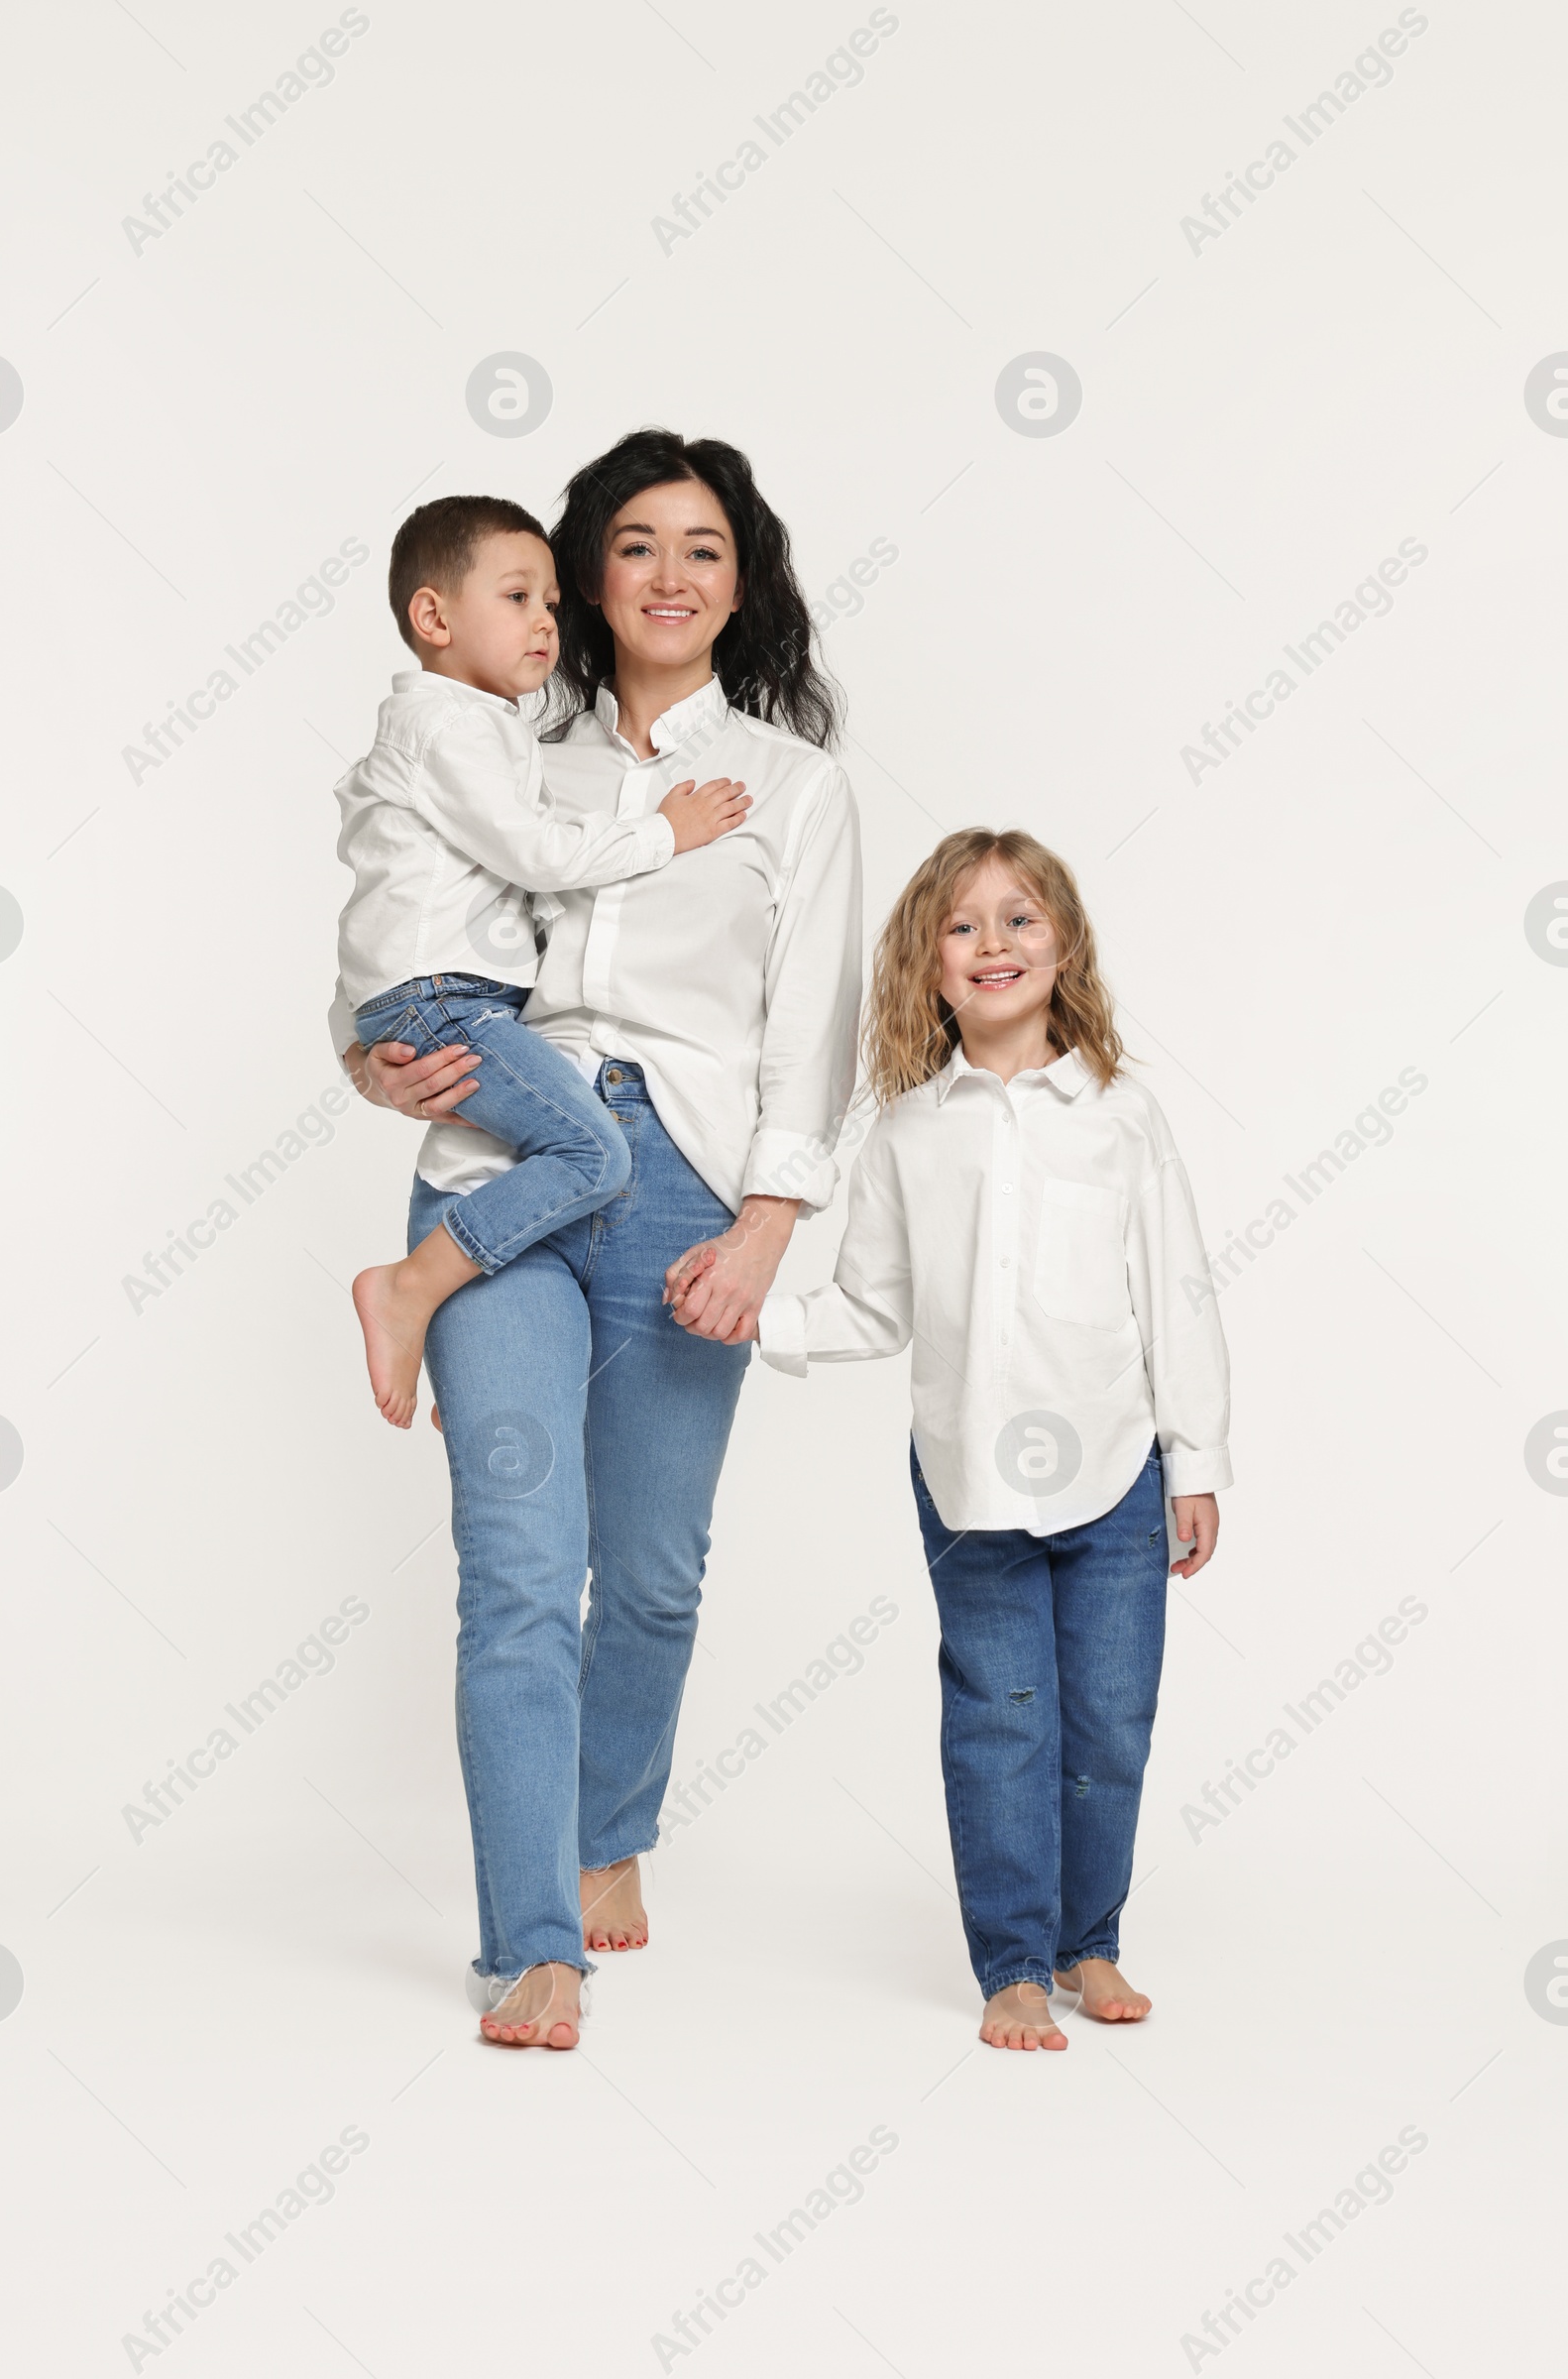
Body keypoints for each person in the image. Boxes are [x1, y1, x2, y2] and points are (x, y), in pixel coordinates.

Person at [333, 431, 861, 2048]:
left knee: (645, 1575)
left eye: (704, 547)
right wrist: (369, 1058)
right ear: (582, 574)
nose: (670, 576)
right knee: (514, 1572)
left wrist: (769, 1228)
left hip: (690, 1183)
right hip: (500, 1167)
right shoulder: (499, 741)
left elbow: (816, 1025)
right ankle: (530, 1943)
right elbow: (402, 927)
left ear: (741, 581)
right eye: (635, 545)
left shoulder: (788, 785)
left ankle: (611, 1827)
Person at [720, 829, 1232, 2053]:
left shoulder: (1122, 1114)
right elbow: (873, 1306)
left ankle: (1088, 1941)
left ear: (1063, 945)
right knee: (1001, 1714)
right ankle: (1011, 1962)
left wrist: (1195, 1456)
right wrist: (756, 1317)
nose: (992, 943)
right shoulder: (907, 1133)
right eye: (963, 926)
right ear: (929, 966)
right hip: (969, 1474)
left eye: (1018, 919)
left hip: (1116, 1472)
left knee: (1109, 1720)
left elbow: (1180, 1292)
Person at [336, 494, 748, 1426]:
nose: (545, 624)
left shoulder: (477, 730)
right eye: (518, 598)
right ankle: (409, 1291)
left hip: (437, 1001)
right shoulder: (450, 730)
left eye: (552, 604)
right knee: (590, 1151)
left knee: (578, 1152)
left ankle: (460, 1333)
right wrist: (664, 831)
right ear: (433, 618)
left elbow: (377, 904)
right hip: (448, 1004)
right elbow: (538, 856)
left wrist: (360, 1042)